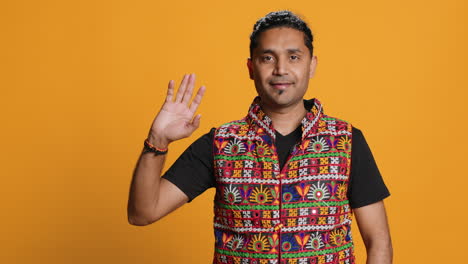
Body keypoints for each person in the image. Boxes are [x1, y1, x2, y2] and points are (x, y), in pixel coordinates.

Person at [127, 10, 393, 264]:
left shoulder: (346, 141)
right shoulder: (221, 144)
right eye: (267, 58)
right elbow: (143, 213)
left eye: (293, 57)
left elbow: (378, 241)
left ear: (312, 65)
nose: (280, 69)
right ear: (251, 67)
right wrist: (157, 140)